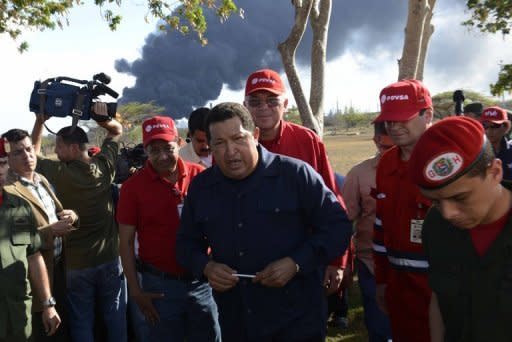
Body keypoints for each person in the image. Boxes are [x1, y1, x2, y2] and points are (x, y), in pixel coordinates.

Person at [176, 102, 352, 341]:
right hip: (237, 321)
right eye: (219, 143)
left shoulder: (296, 175)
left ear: (256, 135)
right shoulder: (202, 188)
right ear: (209, 146)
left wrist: (296, 263)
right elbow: (186, 244)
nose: (230, 152)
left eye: (238, 139)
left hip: (297, 320)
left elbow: (339, 227)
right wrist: (206, 267)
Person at [243, 68, 348, 295]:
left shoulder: (307, 140)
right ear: (245, 105)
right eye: (255, 101)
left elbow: (333, 203)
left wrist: (337, 260)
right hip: (251, 265)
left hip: (305, 260)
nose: (263, 108)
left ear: (286, 104)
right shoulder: (236, 145)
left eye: (272, 100)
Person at [408, 116, 512, 341]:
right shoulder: (436, 225)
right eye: (435, 201)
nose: (448, 213)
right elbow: (439, 296)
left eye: (460, 197)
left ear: (495, 172)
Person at [117, 116, 221, 341]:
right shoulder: (131, 188)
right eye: (154, 150)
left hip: (202, 283)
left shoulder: (201, 176)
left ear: (179, 143)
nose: (163, 156)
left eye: (168, 147)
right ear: (145, 150)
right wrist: (135, 290)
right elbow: (125, 241)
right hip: (160, 287)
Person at [31, 104, 127, 342]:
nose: (56, 150)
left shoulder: (60, 174)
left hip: (77, 265)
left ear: (73, 148)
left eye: (59, 146)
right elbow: (116, 132)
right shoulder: (104, 167)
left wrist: (40, 122)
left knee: (82, 320)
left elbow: (32, 155)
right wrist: (101, 118)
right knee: (115, 315)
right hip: (110, 259)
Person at [2, 129, 78, 342]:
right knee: (42, 331)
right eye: (18, 153)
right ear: (7, 158)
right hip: (33, 278)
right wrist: (50, 231)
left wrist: (72, 216)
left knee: (61, 328)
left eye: (28, 149)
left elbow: (54, 213)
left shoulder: (41, 179)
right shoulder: (8, 190)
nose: (27, 156)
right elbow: (15, 240)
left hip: (58, 269)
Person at [372, 79, 434, 342]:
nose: (394, 126)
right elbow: (380, 225)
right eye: (389, 120)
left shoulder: (447, 160)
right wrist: (383, 280)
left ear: (427, 115)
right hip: (399, 286)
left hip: (439, 288)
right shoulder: (386, 163)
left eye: (402, 119)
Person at [340, 122, 393, 341]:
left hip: (418, 265)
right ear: (376, 141)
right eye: (386, 148)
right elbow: (344, 221)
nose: (393, 154)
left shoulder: (423, 169)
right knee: (380, 327)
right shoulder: (359, 174)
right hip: (371, 263)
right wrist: (340, 263)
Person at [479, 106, 512, 181]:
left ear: (505, 127)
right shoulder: (475, 153)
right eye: (485, 126)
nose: (489, 131)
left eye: (495, 126)